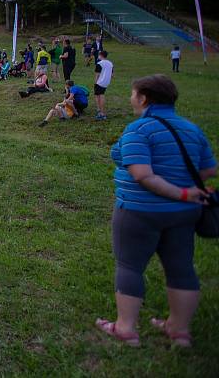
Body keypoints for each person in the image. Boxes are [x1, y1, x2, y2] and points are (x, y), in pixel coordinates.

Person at [96, 75, 216, 347]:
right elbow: (208, 169)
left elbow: (142, 175)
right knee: (181, 267)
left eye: (133, 94)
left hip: (139, 210)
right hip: (184, 213)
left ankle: (125, 328)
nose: (131, 98)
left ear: (144, 98)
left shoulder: (140, 130)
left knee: (129, 265)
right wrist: (183, 187)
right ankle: (179, 330)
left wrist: (179, 191)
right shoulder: (191, 129)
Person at [94, 50, 113, 120]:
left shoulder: (100, 63)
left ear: (101, 55)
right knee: (98, 95)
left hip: (100, 82)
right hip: (106, 82)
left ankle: (101, 113)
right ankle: (99, 110)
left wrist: (95, 82)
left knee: (100, 95)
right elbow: (112, 74)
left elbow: (97, 74)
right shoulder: (110, 63)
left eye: (99, 55)